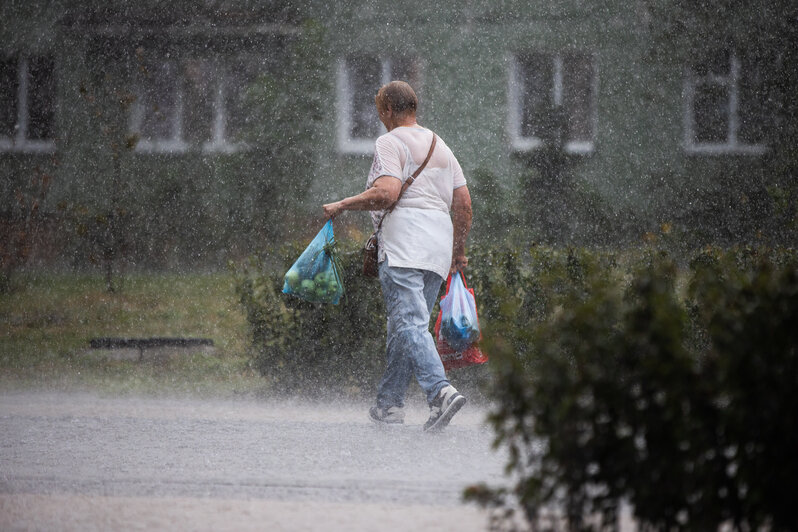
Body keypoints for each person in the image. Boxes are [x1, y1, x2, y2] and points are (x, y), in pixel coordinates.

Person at [323, 80, 473, 432]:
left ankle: (440, 393)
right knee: (406, 326)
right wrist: (457, 251)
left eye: (380, 112)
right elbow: (464, 204)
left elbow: (388, 193)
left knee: (409, 323)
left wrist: (345, 204)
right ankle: (389, 405)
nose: (380, 120)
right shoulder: (441, 146)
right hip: (436, 247)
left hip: (405, 244)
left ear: (389, 110)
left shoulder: (390, 142)